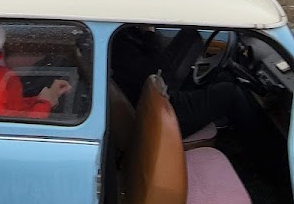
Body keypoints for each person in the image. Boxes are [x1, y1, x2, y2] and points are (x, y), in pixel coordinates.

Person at [112, 24, 264, 138]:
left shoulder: (122, 33)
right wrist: (149, 33)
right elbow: (158, 70)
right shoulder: (120, 44)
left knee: (223, 77)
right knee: (230, 93)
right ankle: (263, 152)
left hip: (152, 98)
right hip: (161, 113)